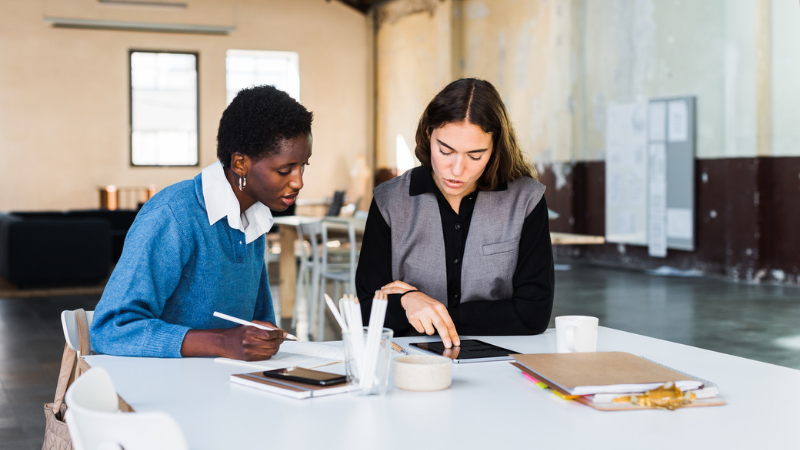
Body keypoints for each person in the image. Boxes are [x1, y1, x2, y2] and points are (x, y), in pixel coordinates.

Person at [91, 85, 313, 360]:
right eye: (284, 170)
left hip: (222, 386)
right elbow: (110, 329)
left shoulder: (255, 219)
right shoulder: (173, 215)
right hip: (162, 390)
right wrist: (222, 342)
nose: (298, 182)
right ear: (240, 164)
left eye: (303, 166)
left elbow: (255, 324)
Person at [356, 78, 554, 348]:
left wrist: (417, 306)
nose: (457, 169)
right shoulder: (390, 201)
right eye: (445, 150)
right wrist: (407, 301)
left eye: (475, 156)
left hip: (501, 362)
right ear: (428, 134)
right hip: (408, 361)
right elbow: (367, 310)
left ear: (495, 148)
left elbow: (533, 314)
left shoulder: (526, 200)